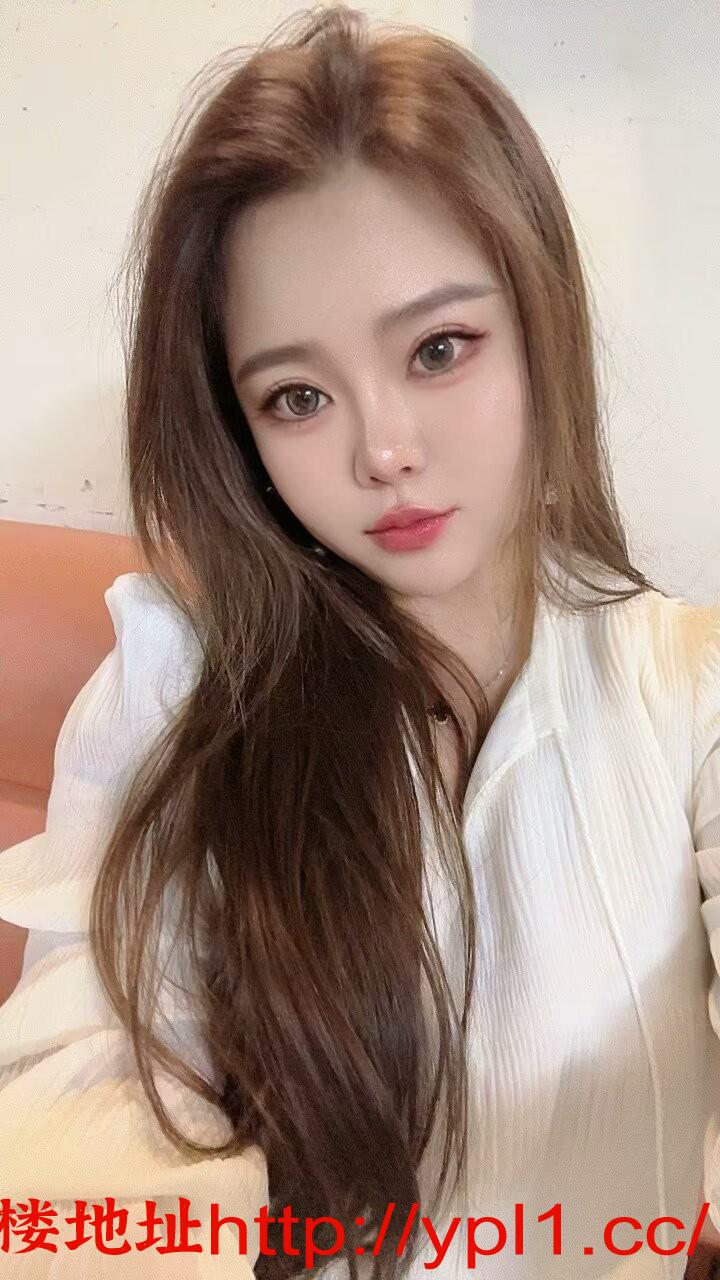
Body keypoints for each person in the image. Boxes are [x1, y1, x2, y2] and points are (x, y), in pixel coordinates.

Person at [0, 4, 718, 1278]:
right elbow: (92, 1086)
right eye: (298, 395)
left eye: (440, 347)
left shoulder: (688, 682)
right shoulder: (180, 679)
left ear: (541, 321)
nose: (382, 448)